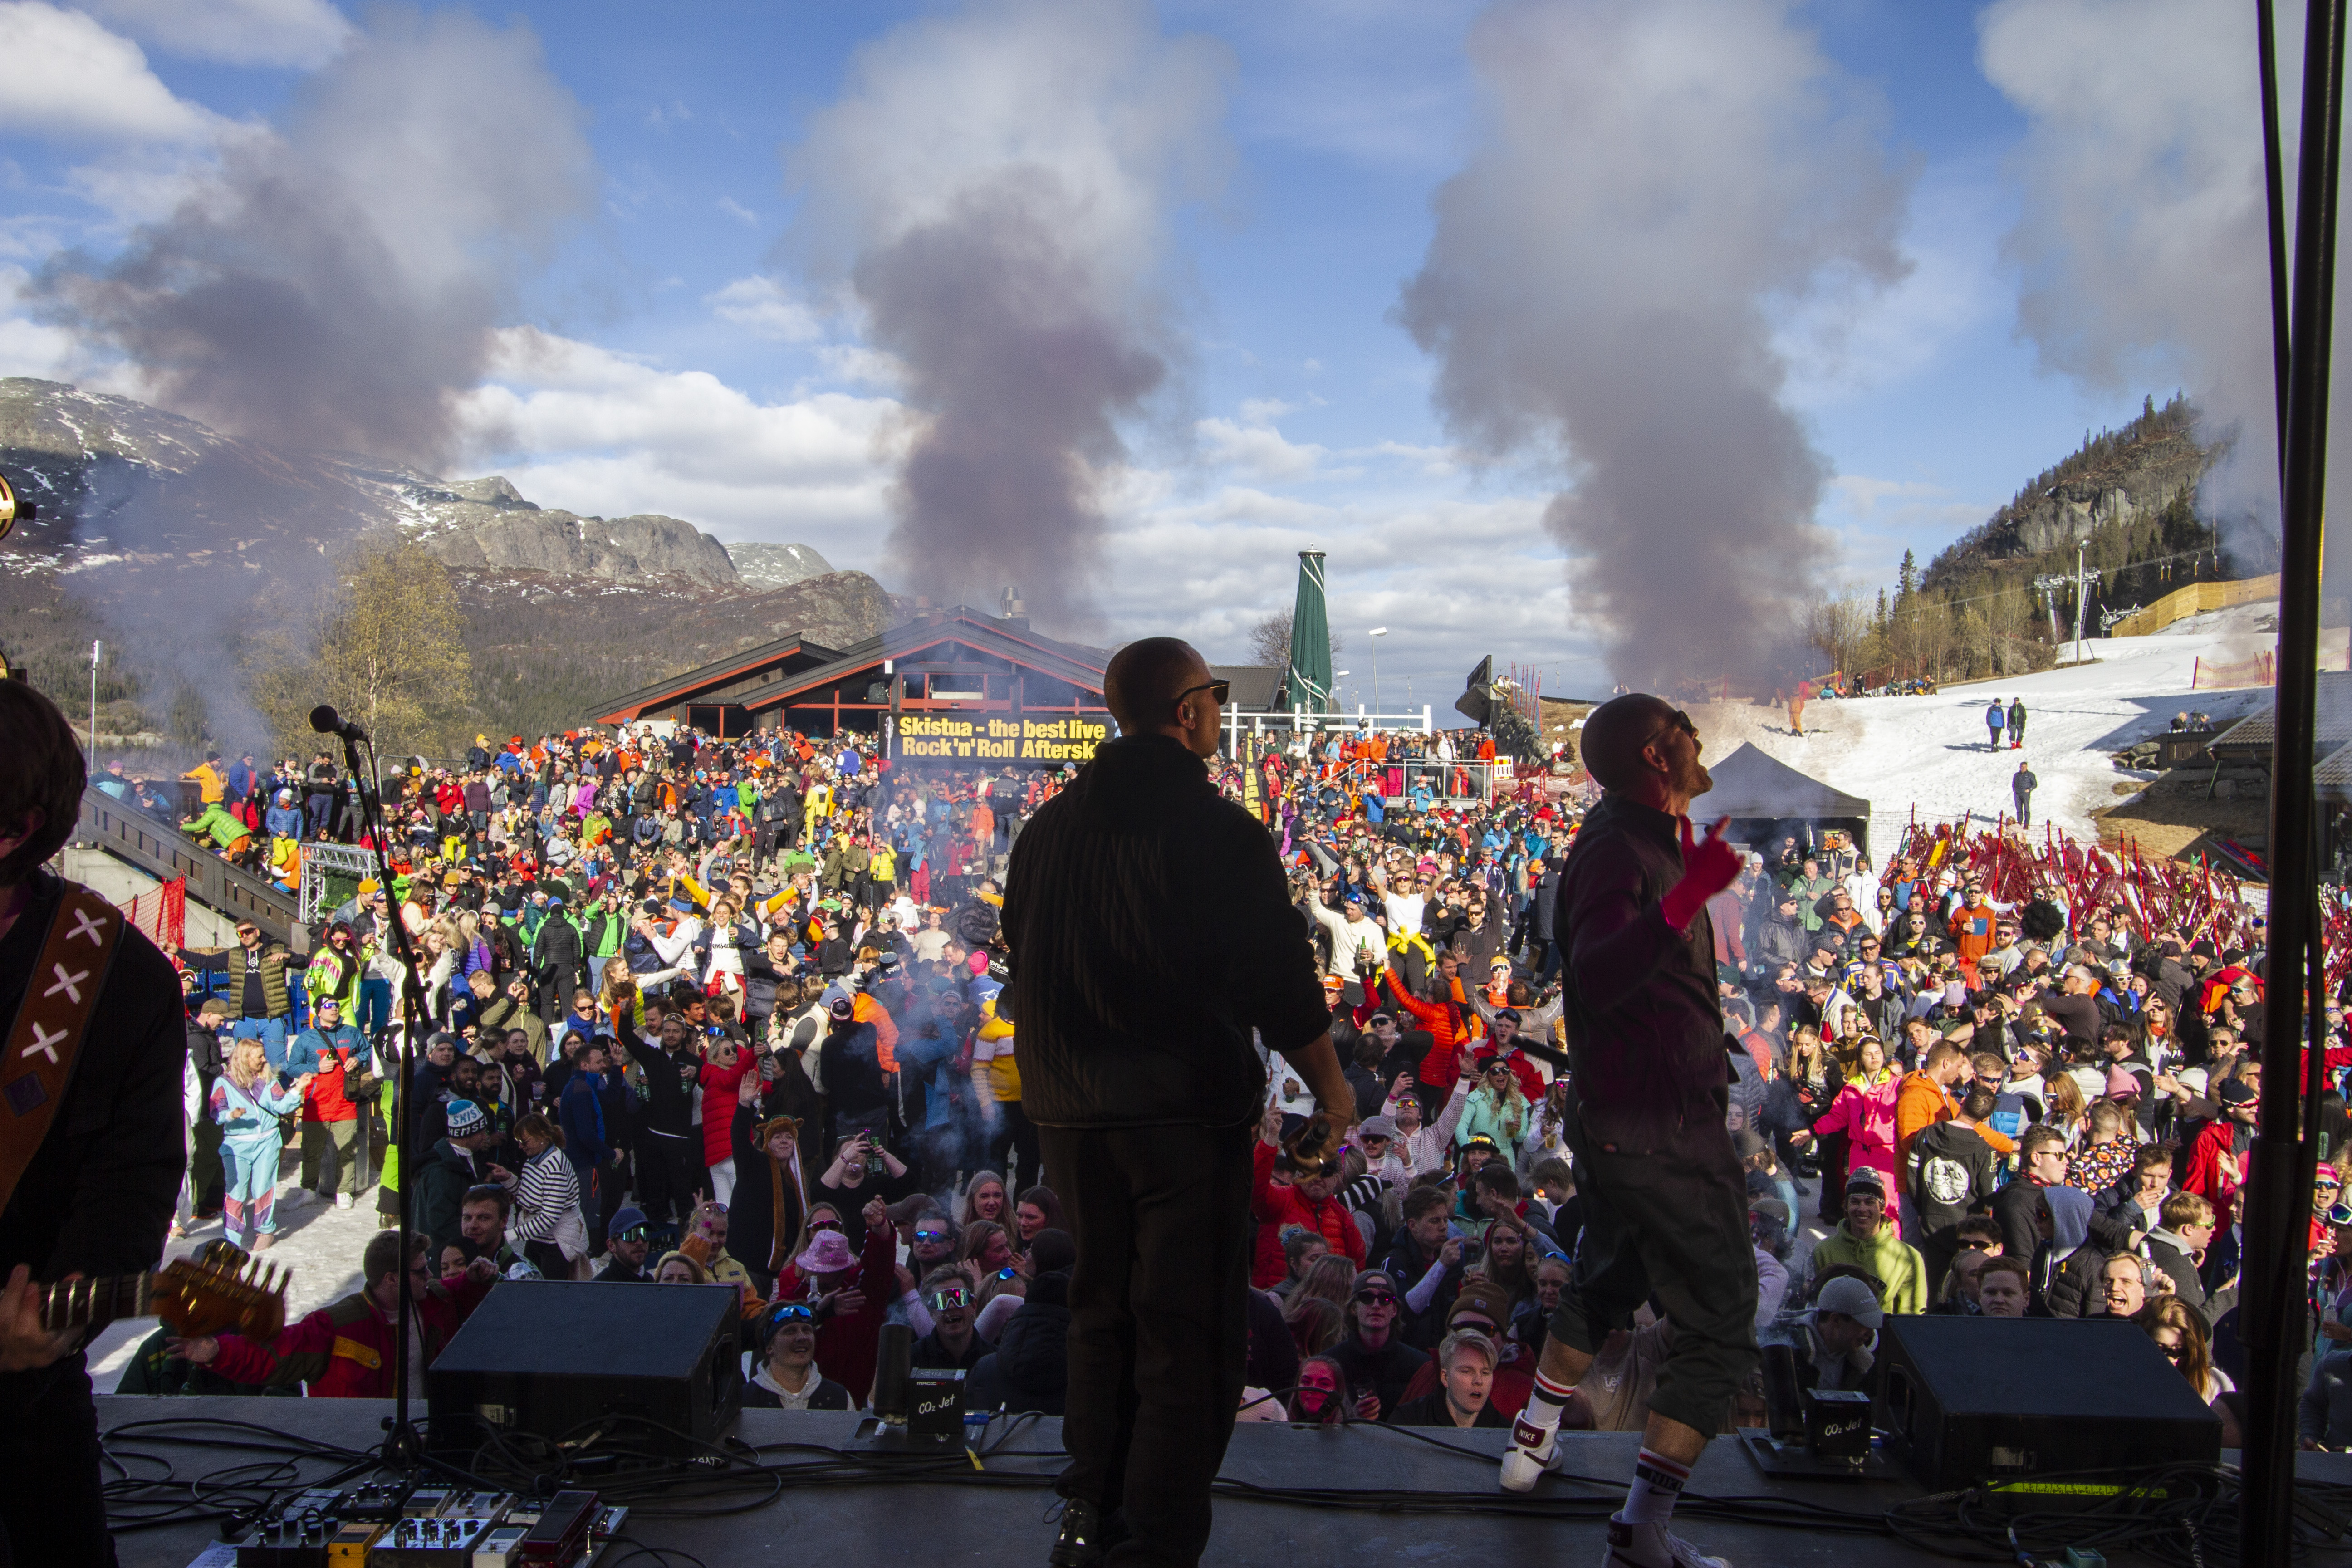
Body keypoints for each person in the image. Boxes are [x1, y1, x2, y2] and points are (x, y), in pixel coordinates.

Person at [1000, 638, 1347, 1568]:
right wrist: (1333, 1088)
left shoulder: (1045, 830)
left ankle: (1089, 1513)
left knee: (1100, 1313)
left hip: (1070, 1116)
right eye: (1216, 696)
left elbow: (1021, 951)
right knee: (1184, 1334)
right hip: (1180, 1118)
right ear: (1190, 711)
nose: (1219, 710)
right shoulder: (1220, 831)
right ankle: (1153, 1543)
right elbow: (1279, 979)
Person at [1495, 693, 1754, 1568]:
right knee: (1718, 1323)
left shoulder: (1638, 837)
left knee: (1610, 1276)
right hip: (1661, 1130)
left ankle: (1531, 1443)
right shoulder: (1617, 849)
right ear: (1654, 753)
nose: (1698, 737)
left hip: (1625, 1117)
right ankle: (1642, 1531)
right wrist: (1690, 894)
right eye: (1683, 727)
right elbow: (1601, 970)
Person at [0, 681, 188, 1563]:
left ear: (16, 830)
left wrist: (65, 1310)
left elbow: (132, 1185)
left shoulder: (116, 986)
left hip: (23, 1425)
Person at [173, 1230, 495, 1396]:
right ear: (392, 1279)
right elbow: (277, 1352)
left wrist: (474, 1279)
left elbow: (457, 1291)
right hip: (361, 1453)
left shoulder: (433, 1299)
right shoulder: (337, 1325)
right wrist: (217, 1352)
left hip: (424, 1442)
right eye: (421, 1270)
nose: (430, 1276)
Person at [1387, 1329, 1508, 1428]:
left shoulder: (1505, 1432)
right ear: (1445, 1377)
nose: (1478, 1381)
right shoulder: (1408, 1421)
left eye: (1485, 1373)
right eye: (1467, 1371)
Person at [743, 1301, 852, 1409]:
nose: (802, 1337)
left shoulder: (840, 1398)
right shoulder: (745, 1401)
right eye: (790, 1332)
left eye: (807, 1331)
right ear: (770, 1347)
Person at [2012, 762, 2037, 831]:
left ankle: (2026, 824)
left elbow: (2035, 784)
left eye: (2024, 767)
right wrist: (2014, 789)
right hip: (2017, 794)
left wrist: (2029, 789)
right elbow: (2014, 783)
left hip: (2025, 794)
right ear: (2020, 767)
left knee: (2026, 809)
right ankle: (2019, 823)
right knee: (2019, 809)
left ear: (2027, 767)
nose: (2023, 768)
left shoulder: (2030, 775)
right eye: (2022, 767)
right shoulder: (2017, 775)